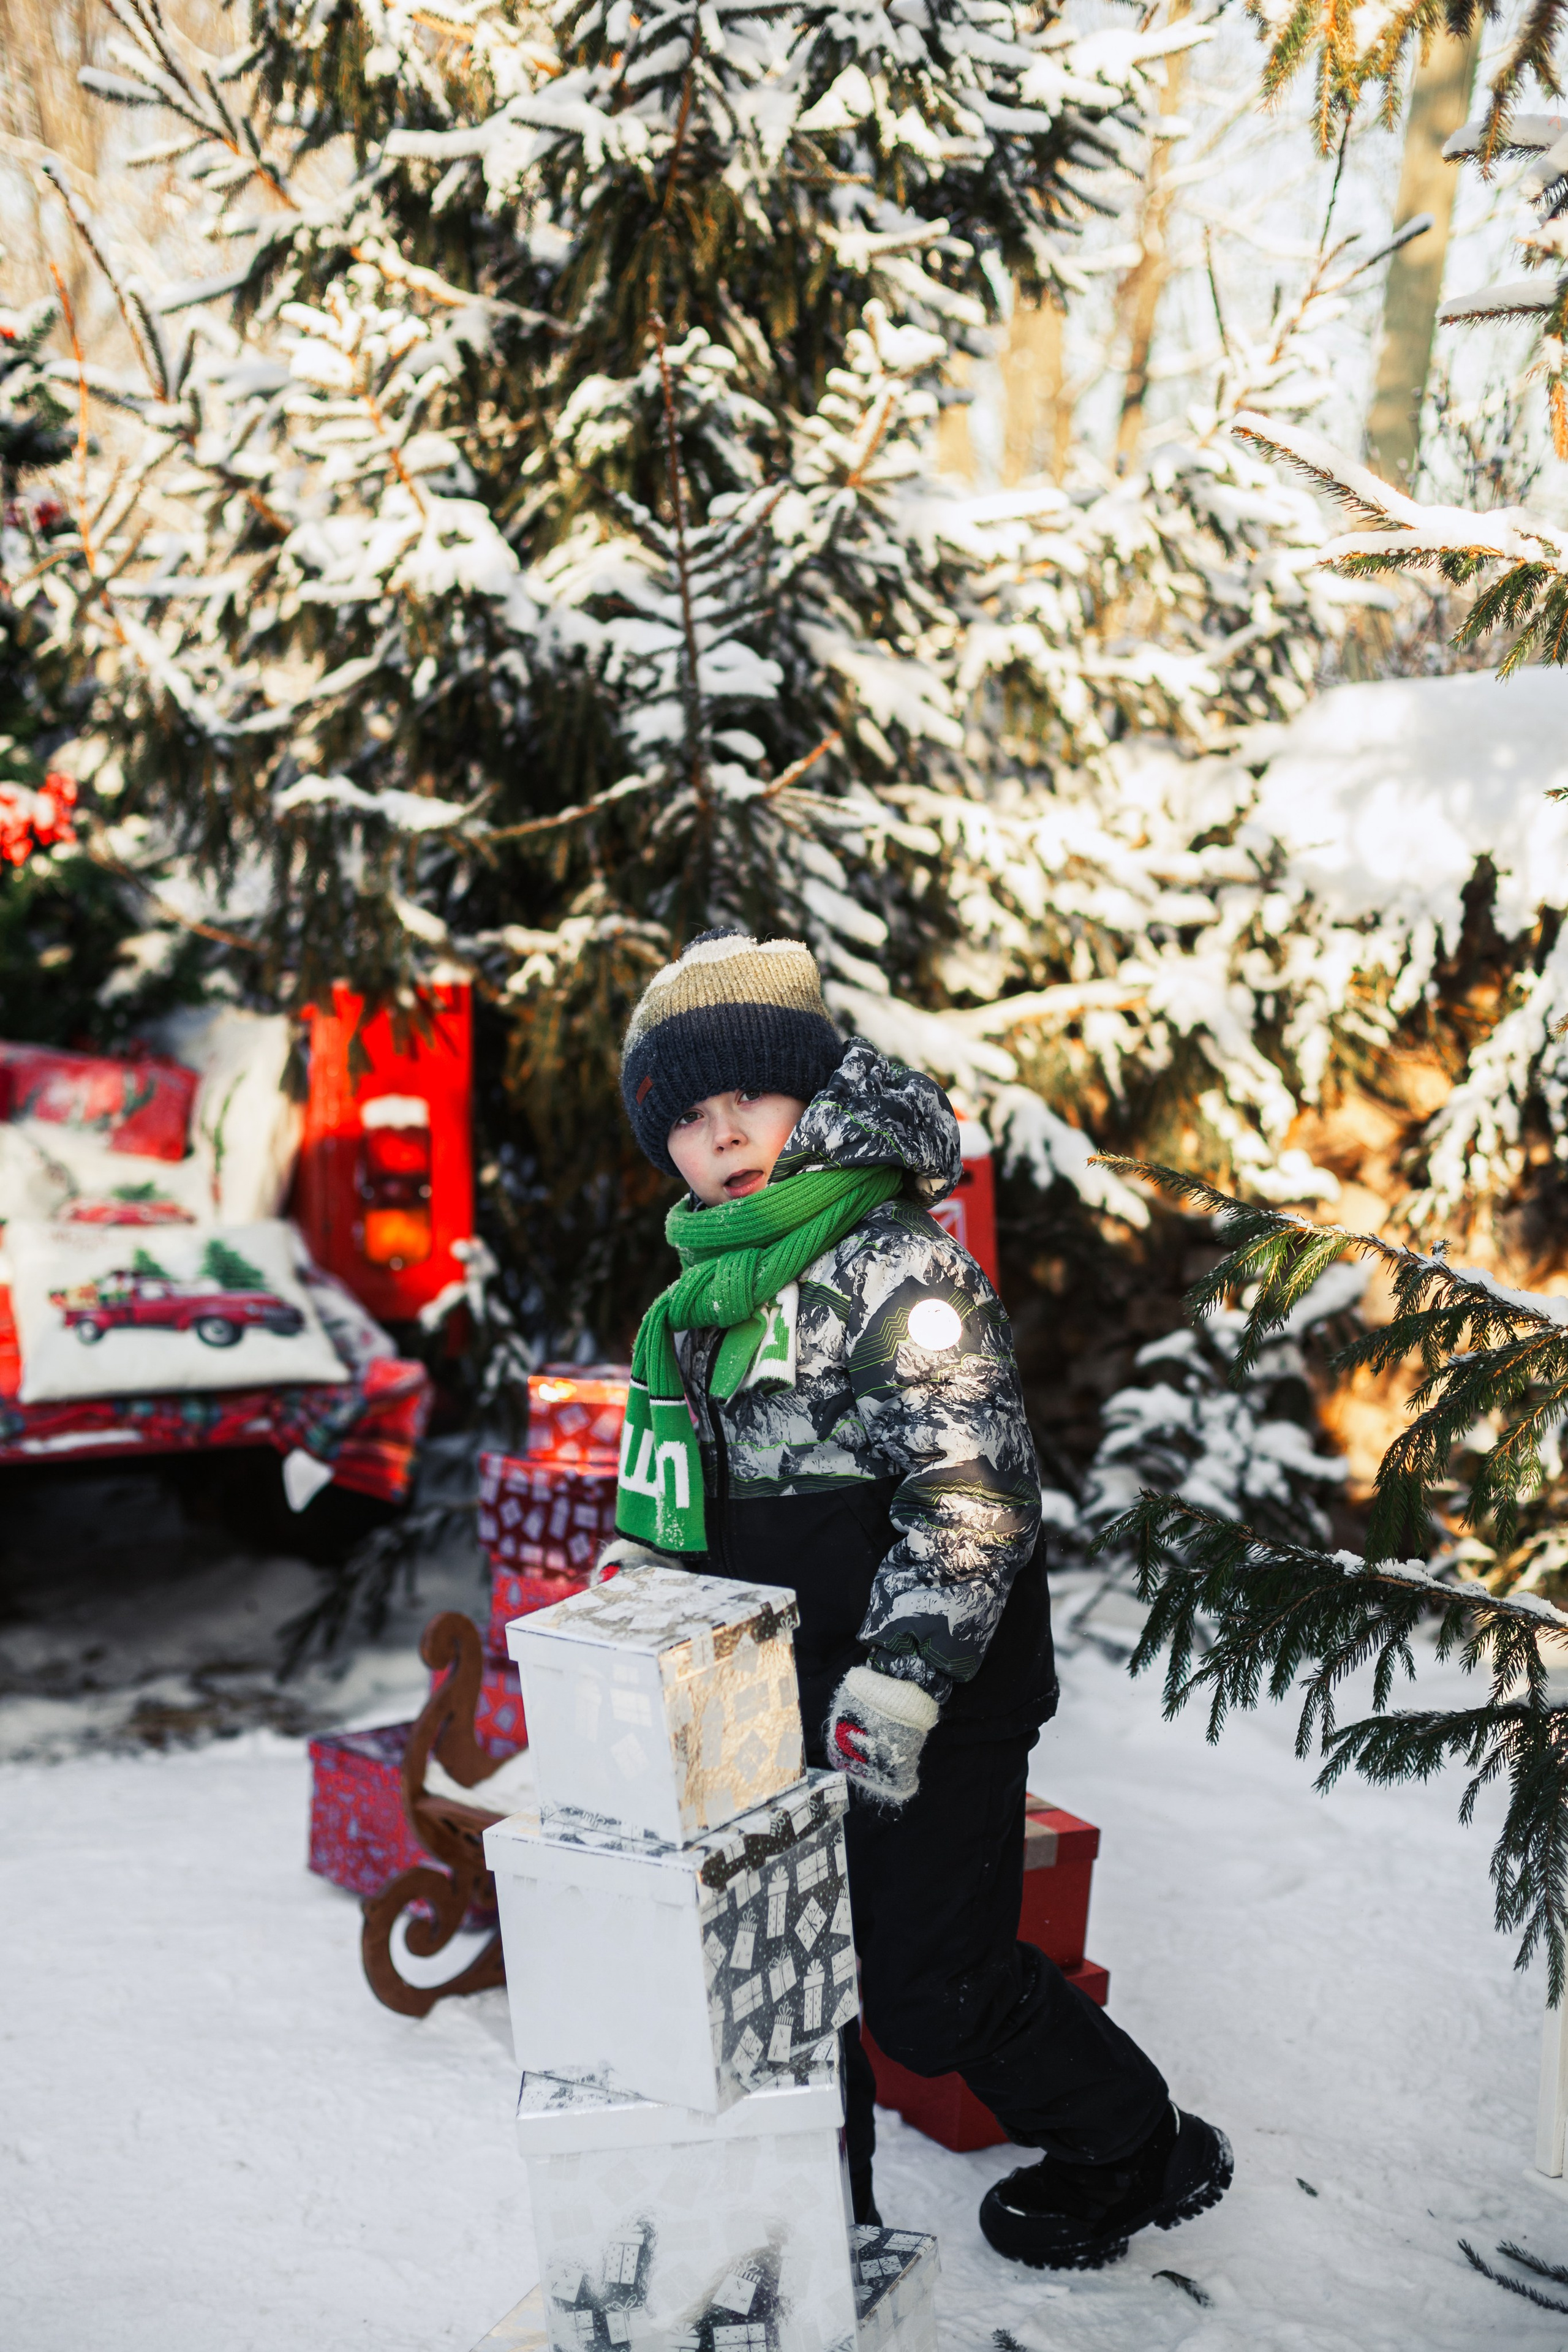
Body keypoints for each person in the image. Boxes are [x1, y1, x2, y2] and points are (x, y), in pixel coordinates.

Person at [605, 929, 1232, 2271]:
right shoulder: (702, 1299)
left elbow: (969, 1490)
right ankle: (824, 2213)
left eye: (748, 1103)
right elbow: (690, 1488)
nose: (723, 1138)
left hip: (928, 1697)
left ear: (811, 1095)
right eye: (690, 1121)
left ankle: (1136, 2145)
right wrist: (649, 1591)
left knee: (927, 1991)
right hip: (781, 1692)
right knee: (791, 1967)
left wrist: (899, 1680)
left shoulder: (900, 1267)